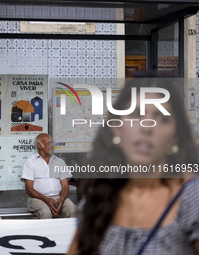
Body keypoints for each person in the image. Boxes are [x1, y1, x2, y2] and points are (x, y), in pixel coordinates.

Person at [67, 79, 199, 255]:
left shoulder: (191, 198)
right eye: (136, 114)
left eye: (161, 118)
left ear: (175, 136)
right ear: (116, 127)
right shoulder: (98, 195)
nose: (147, 126)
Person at [21, 133, 77, 219]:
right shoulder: (30, 162)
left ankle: (70, 233)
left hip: (58, 197)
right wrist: (46, 199)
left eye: (52, 143)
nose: (52, 145)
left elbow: (65, 185)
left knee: (73, 210)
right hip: (37, 199)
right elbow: (29, 189)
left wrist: (61, 200)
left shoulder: (59, 162)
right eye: (49, 143)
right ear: (39, 146)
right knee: (45, 212)